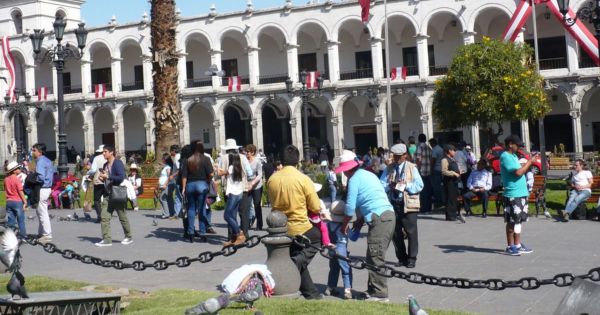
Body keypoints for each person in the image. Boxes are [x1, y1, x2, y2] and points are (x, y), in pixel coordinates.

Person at [335, 150, 395, 303]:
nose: (344, 174)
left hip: (380, 218)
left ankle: (380, 294)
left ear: (348, 169)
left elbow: (349, 208)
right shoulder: (367, 174)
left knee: (375, 255)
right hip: (386, 215)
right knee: (372, 255)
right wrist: (360, 220)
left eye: (344, 171)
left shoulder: (354, 179)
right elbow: (368, 199)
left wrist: (344, 226)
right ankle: (373, 289)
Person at [266, 145, 322, 300]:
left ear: (281, 160)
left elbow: (271, 202)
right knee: (318, 238)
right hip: (301, 227)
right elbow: (316, 207)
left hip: (280, 228)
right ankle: (293, 265)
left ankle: (312, 294)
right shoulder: (303, 179)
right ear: (298, 160)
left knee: (297, 259)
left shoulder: (272, 179)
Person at [380, 143, 423, 268]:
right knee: (395, 233)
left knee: (411, 232)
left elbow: (419, 185)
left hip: (408, 204)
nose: (397, 159)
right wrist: (389, 185)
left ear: (405, 155)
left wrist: (406, 186)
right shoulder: (389, 168)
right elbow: (381, 185)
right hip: (393, 204)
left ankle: (412, 258)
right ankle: (401, 257)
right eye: (395, 156)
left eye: (399, 156)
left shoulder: (411, 167)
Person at [500, 135, 535, 256]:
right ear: (510, 144)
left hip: (521, 193)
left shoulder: (514, 156)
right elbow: (518, 172)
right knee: (512, 221)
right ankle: (510, 246)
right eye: (517, 145)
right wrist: (530, 162)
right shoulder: (505, 156)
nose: (519, 147)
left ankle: (518, 244)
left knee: (518, 221)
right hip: (513, 194)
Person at [95, 145, 133, 247]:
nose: (103, 153)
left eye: (105, 151)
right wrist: (102, 178)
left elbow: (121, 177)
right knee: (104, 217)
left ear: (111, 152)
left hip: (117, 193)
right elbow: (107, 179)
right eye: (103, 152)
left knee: (122, 216)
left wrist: (108, 176)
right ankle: (107, 239)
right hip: (108, 194)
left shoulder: (117, 163)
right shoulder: (105, 165)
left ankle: (128, 236)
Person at [181, 140, 214, 243]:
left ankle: (190, 233)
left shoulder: (188, 160)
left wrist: (183, 188)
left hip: (190, 185)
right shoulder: (206, 159)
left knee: (191, 209)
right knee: (202, 210)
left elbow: (184, 176)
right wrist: (207, 181)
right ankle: (202, 233)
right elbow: (211, 174)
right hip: (202, 185)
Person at [325, 200, 353, 300]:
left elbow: (325, 236)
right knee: (346, 269)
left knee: (333, 269)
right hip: (342, 249)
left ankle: (330, 287)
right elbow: (353, 237)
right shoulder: (345, 226)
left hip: (332, 248)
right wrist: (356, 229)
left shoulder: (328, 224)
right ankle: (347, 290)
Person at [222, 153, 247, 246]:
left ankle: (239, 233)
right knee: (233, 215)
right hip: (239, 193)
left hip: (233, 194)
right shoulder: (239, 167)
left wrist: (217, 168)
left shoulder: (231, 167)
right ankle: (234, 238)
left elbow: (220, 173)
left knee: (227, 216)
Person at [32, 143, 54, 243]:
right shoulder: (48, 160)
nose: (33, 152)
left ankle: (47, 234)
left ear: (40, 152)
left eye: (34, 150)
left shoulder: (40, 161)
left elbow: (40, 177)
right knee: (40, 210)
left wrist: (32, 179)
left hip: (42, 188)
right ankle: (41, 232)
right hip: (47, 187)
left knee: (42, 211)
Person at [4, 161, 27, 239]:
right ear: (14, 170)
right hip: (17, 201)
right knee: (21, 220)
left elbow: (5, 190)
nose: (20, 169)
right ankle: (23, 237)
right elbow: (20, 191)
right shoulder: (16, 179)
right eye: (18, 168)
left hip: (9, 201)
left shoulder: (6, 179)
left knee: (11, 221)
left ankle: (10, 237)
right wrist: (25, 201)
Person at [441, 144, 463, 222]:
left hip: (454, 181)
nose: (455, 152)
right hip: (449, 182)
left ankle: (454, 214)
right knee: (450, 198)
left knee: (454, 198)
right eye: (454, 150)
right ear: (449, 151)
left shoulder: (452, 159)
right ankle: (450, 216)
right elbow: (444, 171)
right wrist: (454, 173)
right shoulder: (445, 160)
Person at [246, 144, 264, 230]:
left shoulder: (257, 161)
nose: (246, 153)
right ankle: (247, 223)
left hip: (257, 186)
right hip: (247, 186)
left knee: (257, 205)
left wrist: (253, 183)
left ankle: (259, 225)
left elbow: (260, 174)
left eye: (248, 152)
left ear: (252, 152)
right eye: (246, 152)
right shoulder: (245, 161)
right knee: (246, 205)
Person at [309, 183, 333, 247]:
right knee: (324, 229)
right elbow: (323, 210)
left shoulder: (305, 200)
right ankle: (326, 242)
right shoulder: (319, 201)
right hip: (316, 217)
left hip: (307, 217)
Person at [89, 145, 107, 223]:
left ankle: (100, 216)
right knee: (107, 199)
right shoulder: (108, 158)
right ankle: (106, 215)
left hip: (98, 181)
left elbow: (93, 170)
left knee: (97, 200)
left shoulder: (96, 158)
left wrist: (88, 172)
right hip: (107, 181)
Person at [415, 134, 433, 213]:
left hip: (421, 171)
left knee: (422, 191)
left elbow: (418, 159)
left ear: (419, 140)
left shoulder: (419, 147)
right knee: (428, 190)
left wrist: (417, 168)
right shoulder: (429, 148)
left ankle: (423, 208)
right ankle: (428, 208)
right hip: (428, 171)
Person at [158, 153, 175, 219]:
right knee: (169, 198)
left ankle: (166, 213)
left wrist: (165, 184)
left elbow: (169, 176)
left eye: (163, 158)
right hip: (166, 185)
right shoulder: (166, 166)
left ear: (165, 159)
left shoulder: (168, 167)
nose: (162, 159)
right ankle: (171, 212)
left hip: (167, 185)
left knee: (162, 198)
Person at [168, 145, 183, 219]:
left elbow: (179, 169)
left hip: (178, 179)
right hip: (179, 180)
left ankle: (179, 213)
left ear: (174, 151)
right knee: (177, 196)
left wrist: (172, 175)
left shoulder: (177, 157)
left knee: (179, 196)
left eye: (171, 151)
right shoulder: (179, 156)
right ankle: (177, 213)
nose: (170, 152)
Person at [429, 138, 444, 206]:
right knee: (440, 186)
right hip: (441, 169)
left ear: (432, 143)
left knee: (436, 187)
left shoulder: (434, 149)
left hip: (436, 169)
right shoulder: (440, 149)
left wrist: (431, 170)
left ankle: (438, 202)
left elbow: (433, 160)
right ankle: (441, 200)